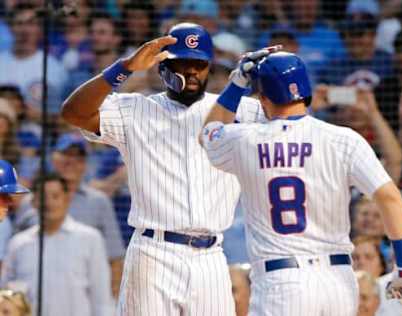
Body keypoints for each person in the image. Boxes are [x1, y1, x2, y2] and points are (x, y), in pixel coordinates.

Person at [61, 23, 265, 315]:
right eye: (183, 62)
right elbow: (73, 112)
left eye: (199, 64)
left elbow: (292, 117)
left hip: (211, 257)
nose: (193, 71)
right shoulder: (134, 109)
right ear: (163, 67)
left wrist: (266, 75)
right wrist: (125, 67)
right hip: (154, 253)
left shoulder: (239, 110)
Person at [200, 51, 402, 314]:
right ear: (307, 93)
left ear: (263, 99)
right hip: (338, 282)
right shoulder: (344, 139)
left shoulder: (244, 139)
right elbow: (390, 198)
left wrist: (238, 81)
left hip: (282, 281)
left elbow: (207, 132)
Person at [1, 173, 113, 316]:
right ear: (33, 202)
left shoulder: (90, 239)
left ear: (67, 199)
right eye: (43, 197)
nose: (49, 203)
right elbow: (6, 295)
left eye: (55, 196)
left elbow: (102, 299)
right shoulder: (18, 244)